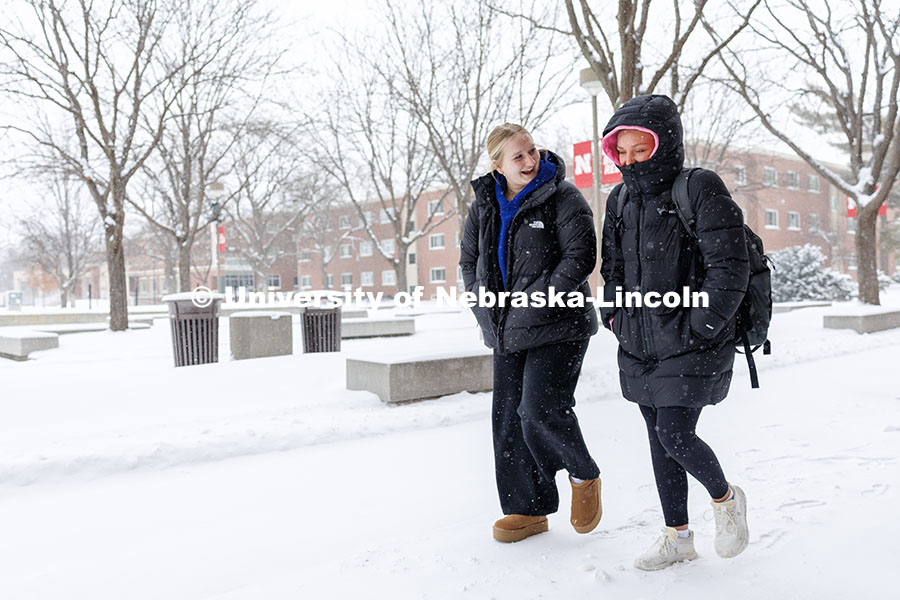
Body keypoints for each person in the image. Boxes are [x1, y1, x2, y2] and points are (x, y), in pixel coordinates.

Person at [598, 95, 751, 570]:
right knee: (658, 439)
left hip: (691, 339)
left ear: (663, 143)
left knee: (675, 434)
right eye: (620, 152)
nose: (628, 160)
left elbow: (730, 266)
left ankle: (726, 500)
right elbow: (615, 268)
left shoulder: (698, 187)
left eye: (637, 149)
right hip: (638, 340)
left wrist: (701, 324)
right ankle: (678, 536)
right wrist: (614, 315)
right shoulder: (620, 198)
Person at [459, 123, 601, 543]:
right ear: (498, 164)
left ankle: (583, 473)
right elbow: (470, 261)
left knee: (538, 411)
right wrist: (483, 306)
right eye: (518, 156)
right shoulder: (484, 204)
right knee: (507, 420)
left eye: (532, 152)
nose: (529, 161)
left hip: (559, 324)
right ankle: (528, 510)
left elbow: (580, 256)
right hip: (505, 327)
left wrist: (540, 300)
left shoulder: (562, 196)